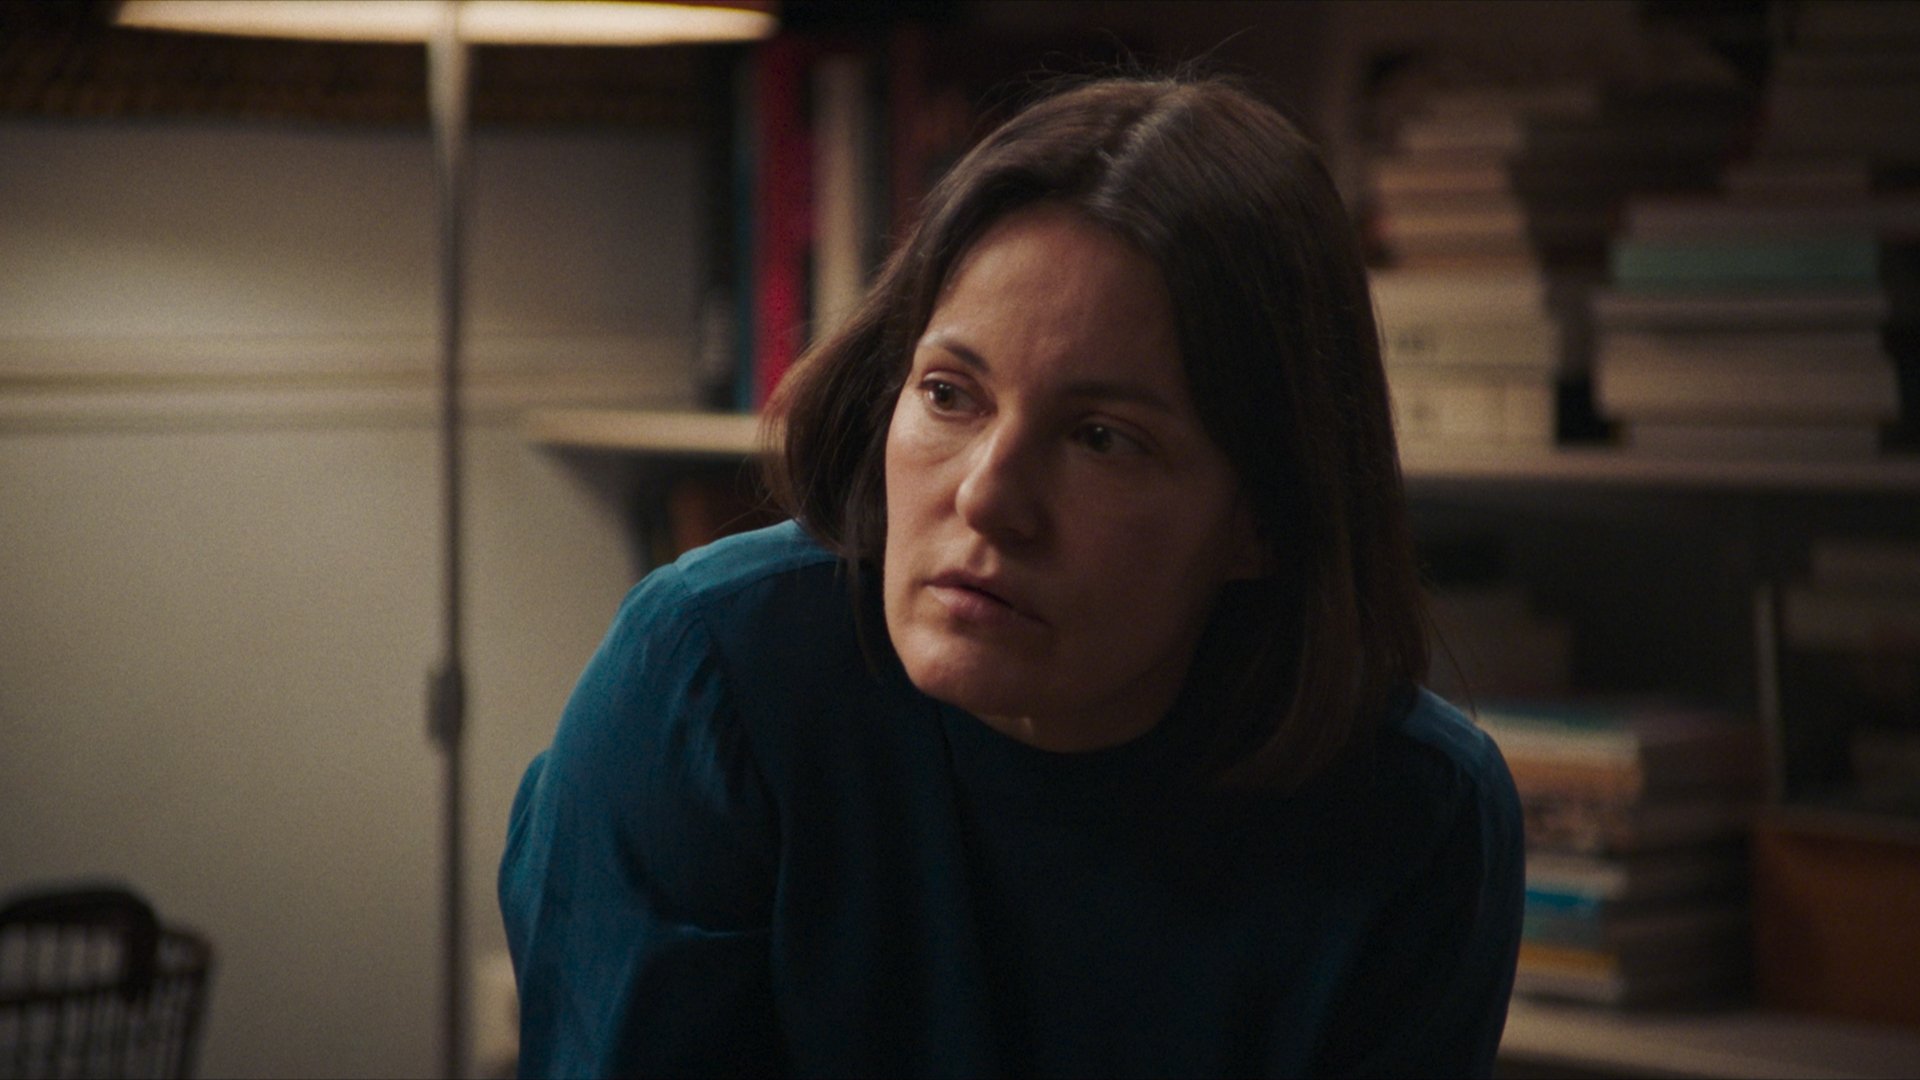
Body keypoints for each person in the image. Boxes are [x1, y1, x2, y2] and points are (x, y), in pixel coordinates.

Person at [500, 72, 1524, 1078]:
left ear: (1264, 518)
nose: (988, 496)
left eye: (1102, 438)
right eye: (950, 394)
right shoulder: (711, 683)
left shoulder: (1416, 815)